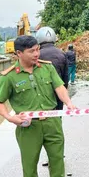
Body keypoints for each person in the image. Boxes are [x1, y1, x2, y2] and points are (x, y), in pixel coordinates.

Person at [0, 36, 76, 177]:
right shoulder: (10, 77)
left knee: (57, 159)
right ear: (18, 53)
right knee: (29, 163)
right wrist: (9, 117)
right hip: (28, 127)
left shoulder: (47, 67)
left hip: (52, 122)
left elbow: (59, 87)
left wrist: (68, 102)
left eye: (37, 49)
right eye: (32, 51)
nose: (37, 54)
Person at [36, 26, 69, 167]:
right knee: (57, 125)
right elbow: (65, 79)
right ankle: (57, 155)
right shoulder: (62, 54)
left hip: (41, 97)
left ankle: (48, 156)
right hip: (58, 96)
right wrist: (64, 95)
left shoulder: (37, 55)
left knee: (42, 127)